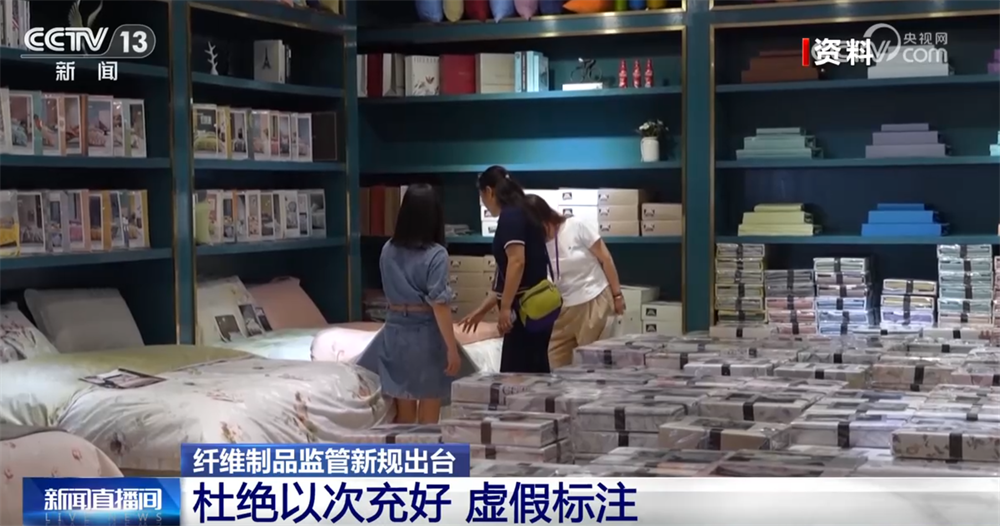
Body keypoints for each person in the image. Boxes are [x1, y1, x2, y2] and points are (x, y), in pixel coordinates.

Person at [356, 184, 465, 424]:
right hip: (425, 335)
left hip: (394, 331)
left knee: (404, 413)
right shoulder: (436, 254)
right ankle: (426, 450)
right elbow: (440, 305)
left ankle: (406, 450)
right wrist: (452, 348)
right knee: (429, 412)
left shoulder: (388, 249)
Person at [459, 166, 556, 373]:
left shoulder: (511, 217)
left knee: (516, 373)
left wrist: (505, 308)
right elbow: (505, 277)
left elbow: (516, 262)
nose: (484, 204)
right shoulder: (525, 211)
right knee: (535, 369)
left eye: (482, 197)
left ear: (489, 191)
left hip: (524, 309)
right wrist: (481, 311)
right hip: (537, 305)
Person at [522, 195, 626, 368]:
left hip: (593, 300)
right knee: (555, 362)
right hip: (563, 309)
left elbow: (606, 258)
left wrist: (617, 295)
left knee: (591, 365)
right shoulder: (536, 242)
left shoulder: (576, 226)